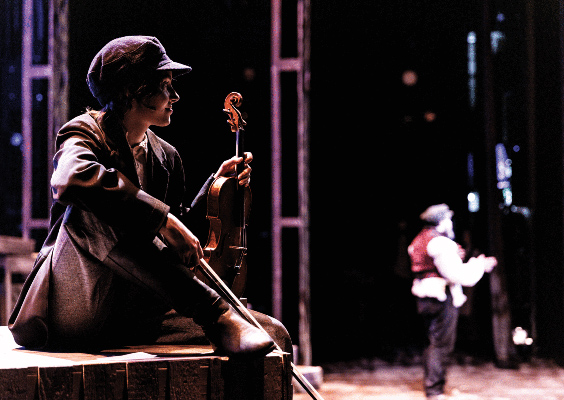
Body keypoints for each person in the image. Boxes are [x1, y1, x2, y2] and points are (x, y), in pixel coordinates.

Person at [8, 36, 292, 358]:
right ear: (133, 89)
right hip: (77, 306)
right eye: (165, 85)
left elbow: (172, 246)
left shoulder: (167, 156)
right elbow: (70, 179)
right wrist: (160, 218)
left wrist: (216, 187)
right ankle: (214, 312)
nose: (176, 96)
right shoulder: (84, 132)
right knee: (93, 212)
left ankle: (219, 317)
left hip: (134, 312)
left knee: (272, 334)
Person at [408, 204, 497, 400]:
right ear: (441, 221)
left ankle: (434, 387)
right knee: (440, 345)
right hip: (439, 296)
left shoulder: (419, 239)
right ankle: (434, 390)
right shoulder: (439, 242)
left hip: (425, 296)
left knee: (433, 343)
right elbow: (458, 275)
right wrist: (480, 265)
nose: (451, 223)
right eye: (448, 219)